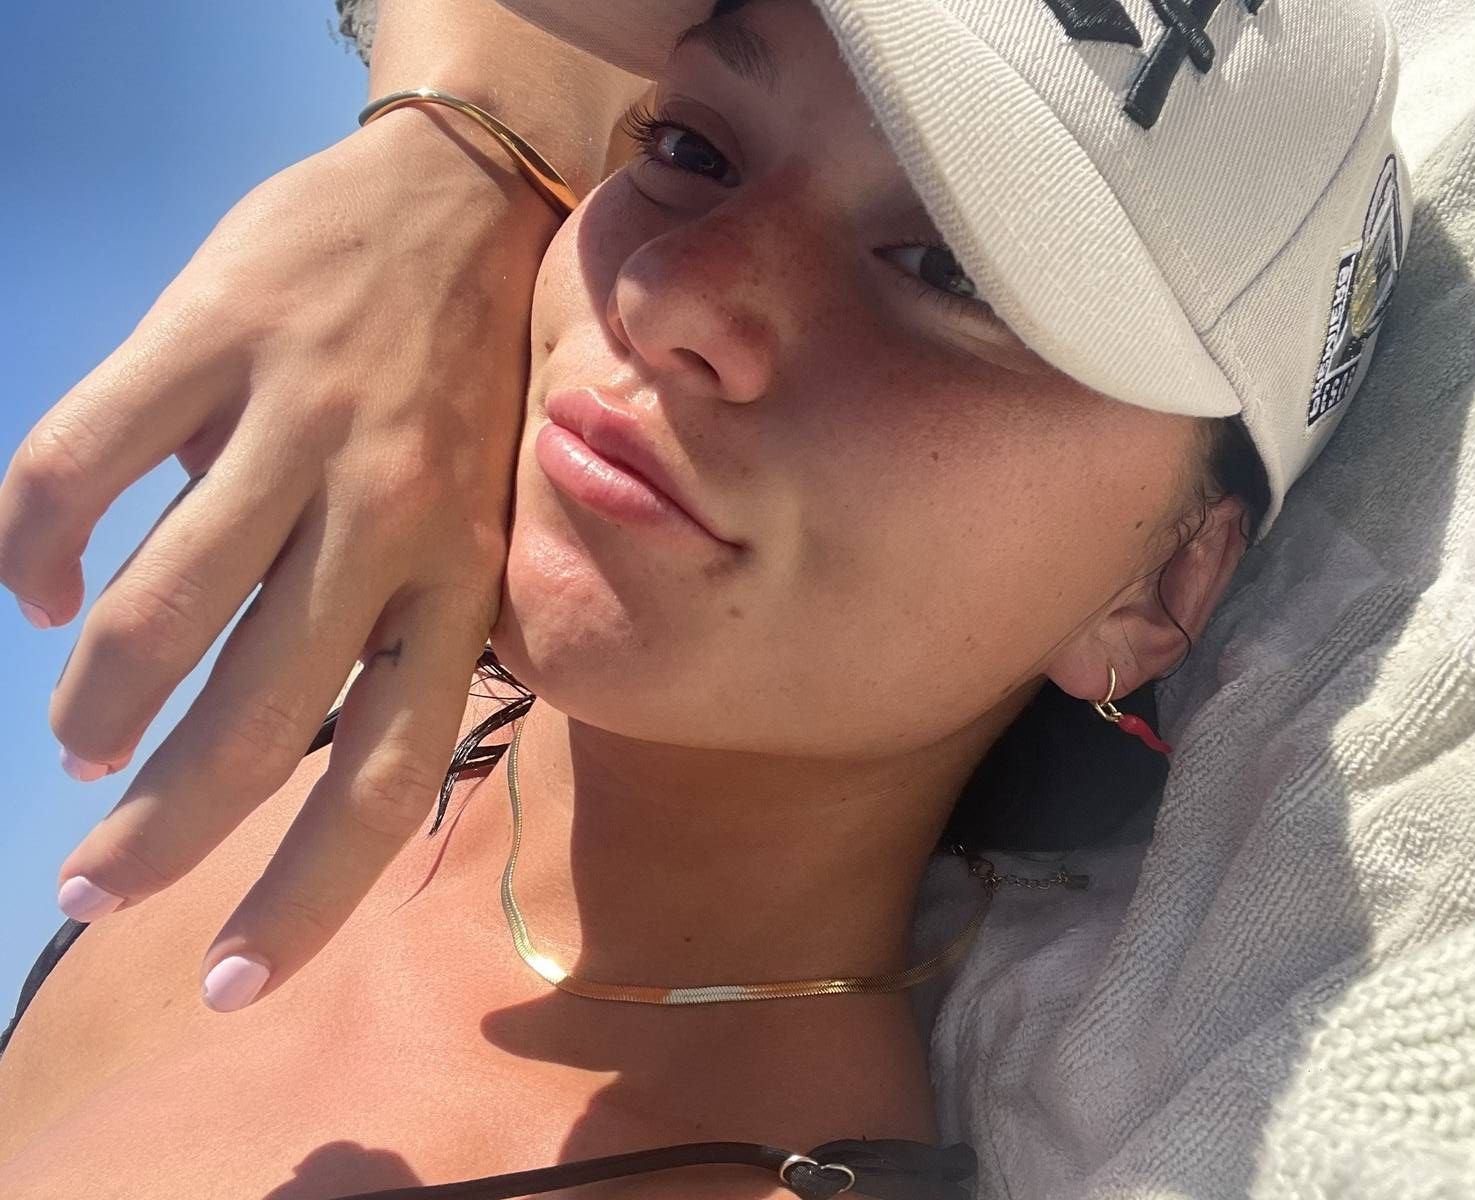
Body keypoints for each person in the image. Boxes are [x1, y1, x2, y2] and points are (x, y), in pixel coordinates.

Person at [0, 0, 1411, 1197]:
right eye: (688, 148)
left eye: (952, 274)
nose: (673, 291)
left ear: (1162, 583)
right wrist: (450, 157)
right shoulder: (393, 675)